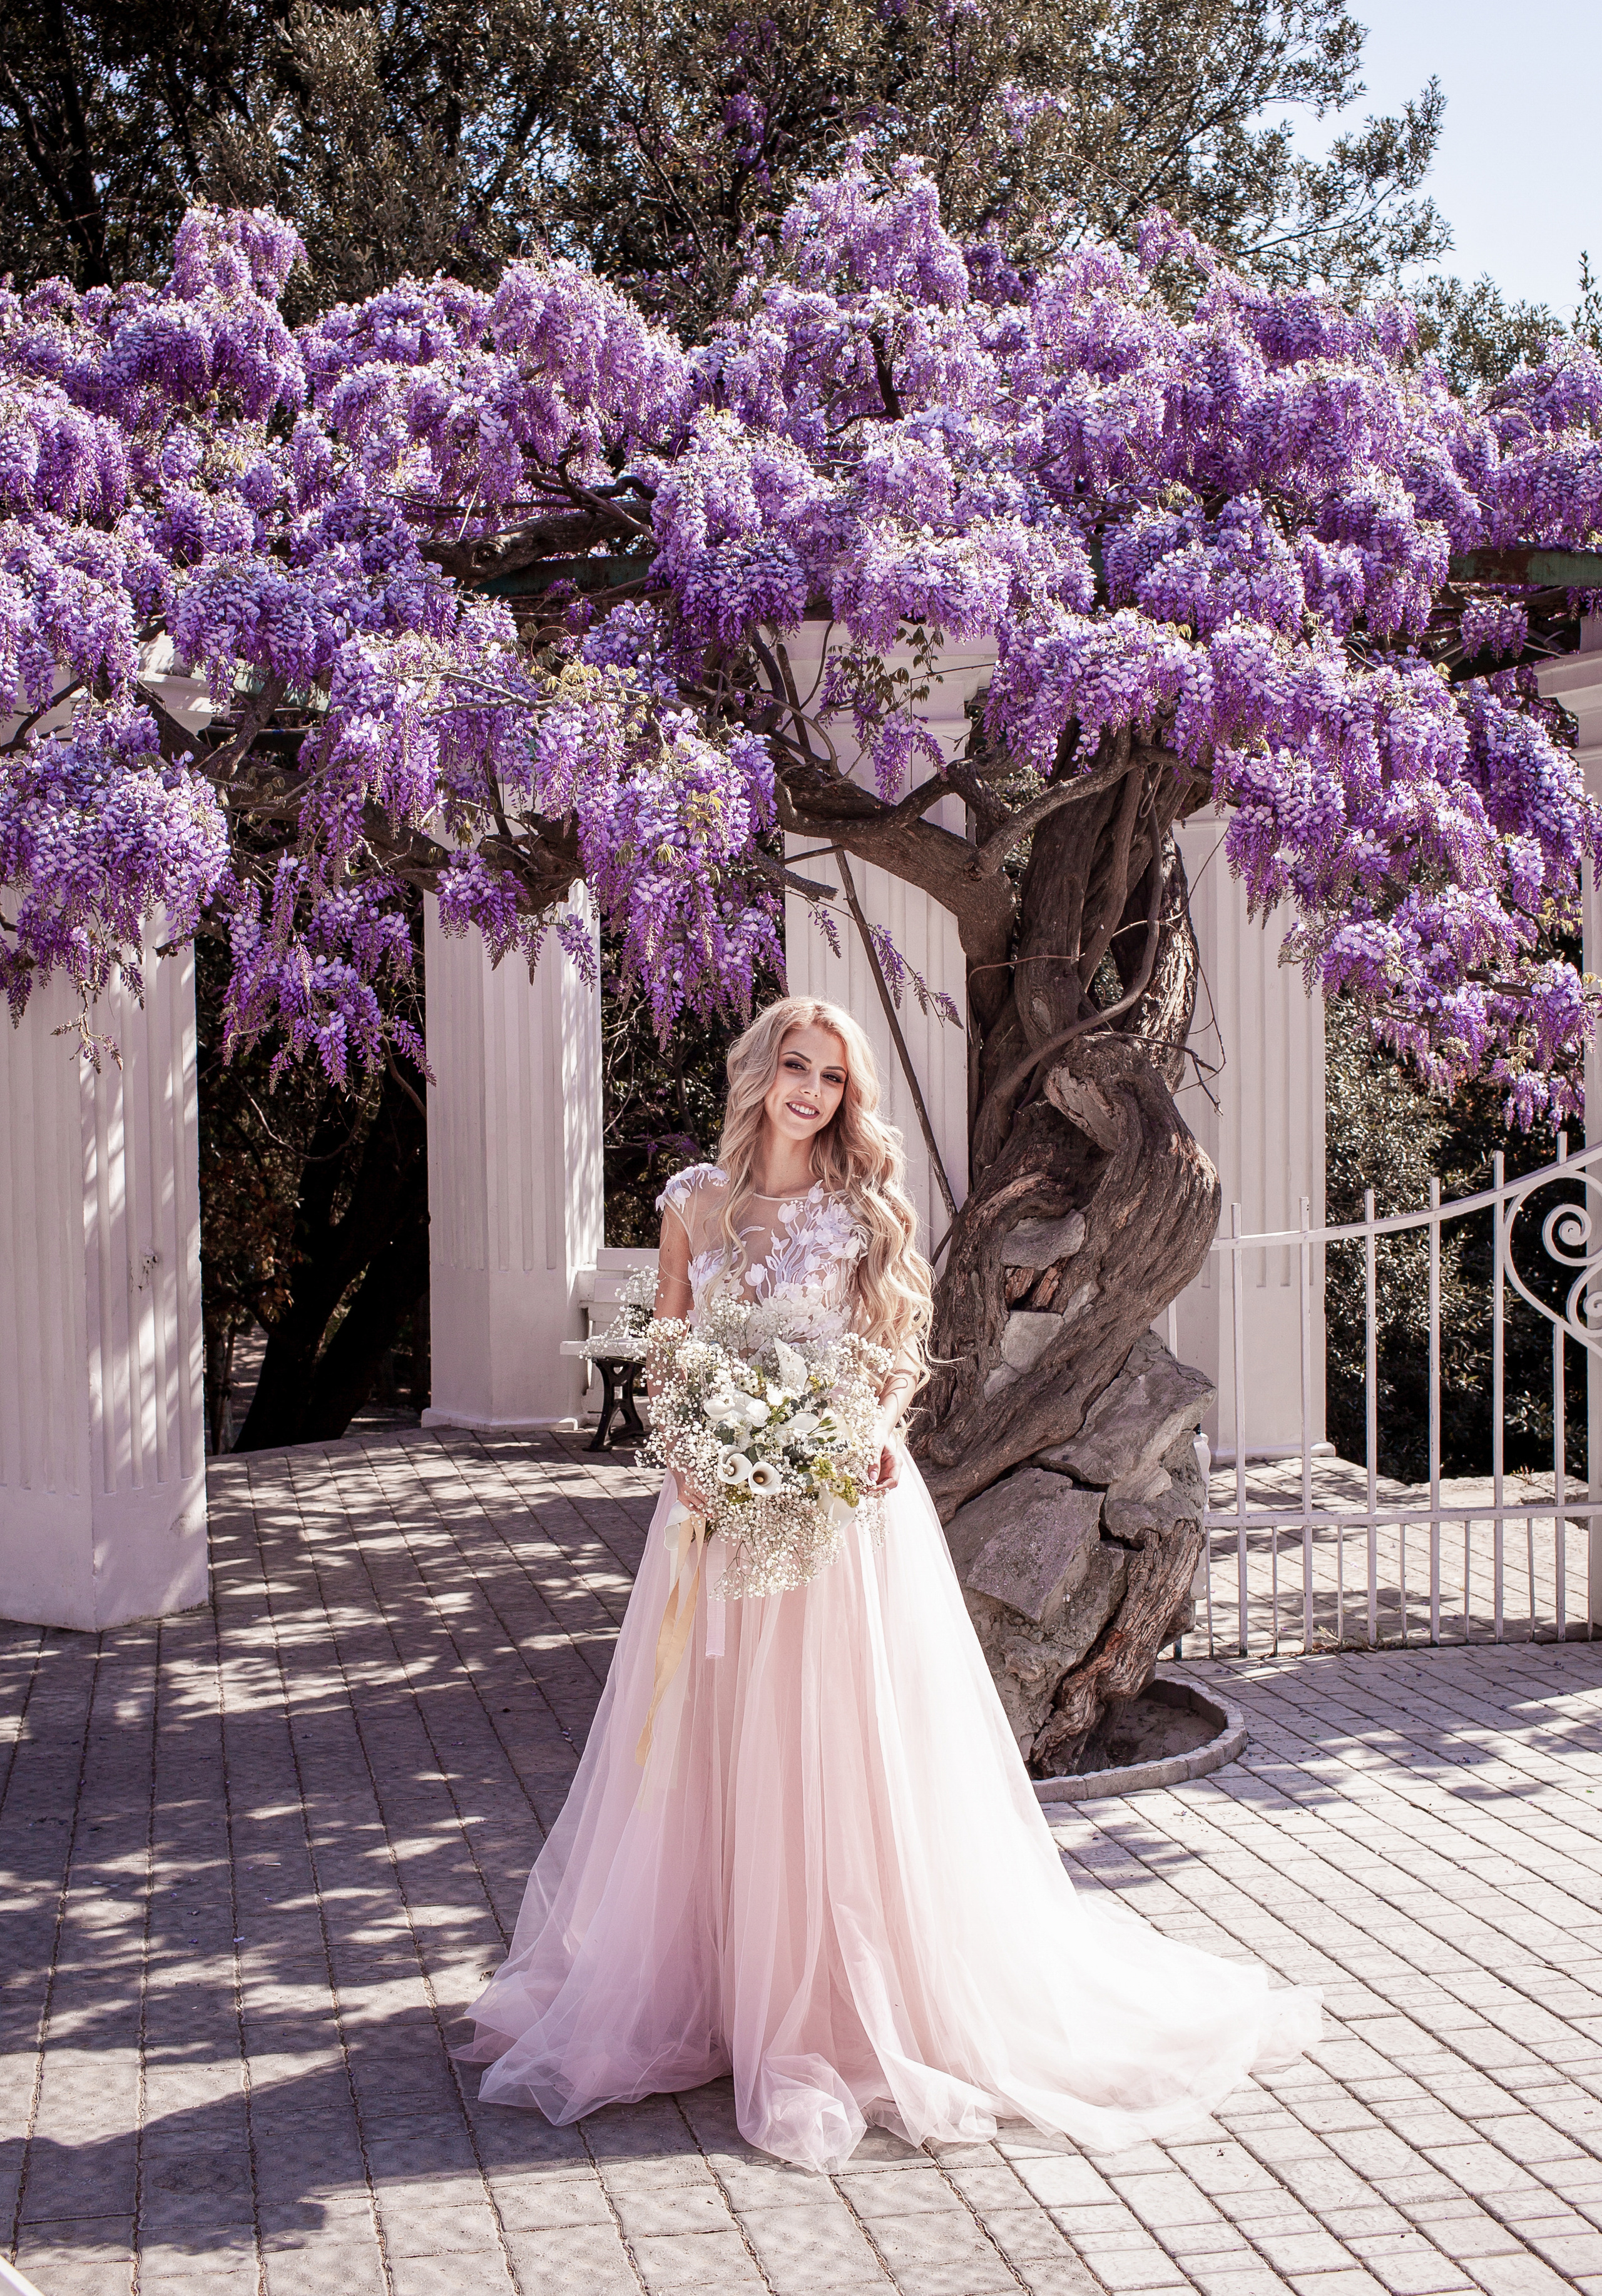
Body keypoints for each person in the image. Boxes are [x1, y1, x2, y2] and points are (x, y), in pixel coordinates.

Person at [460, 996, 1320, 2171]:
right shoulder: (693, 1204)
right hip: (715, 1510)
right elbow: (668, 1351)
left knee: (834, 1743)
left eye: (832, 1075)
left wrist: (845, 1432)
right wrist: (695, 1457)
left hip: (838, 1509)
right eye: (794, 1065)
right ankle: (716, 1984)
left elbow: (893, 1356)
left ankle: (831, 2003)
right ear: (760, 1070)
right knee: (718, 1742)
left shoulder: (864, 1211)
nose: (810, 1090)